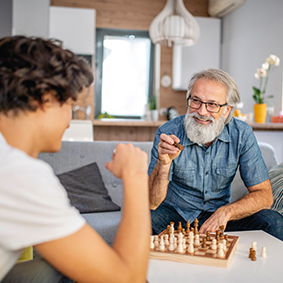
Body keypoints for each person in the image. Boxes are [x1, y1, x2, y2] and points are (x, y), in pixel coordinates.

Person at [0, 36, 151, 283]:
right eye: (70, 104)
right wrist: (135, 174)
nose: (70, 120)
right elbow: (128, 279)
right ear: (45, 99)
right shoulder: (19, 174)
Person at [148, 68, 283, 240]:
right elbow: (152, 202)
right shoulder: (167, 132)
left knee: (272, 221)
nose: (202, 111)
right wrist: (163, 164)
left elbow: (265, 196)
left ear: (227, 110)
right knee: (145, 217)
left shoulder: (242, 135)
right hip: (174, 216)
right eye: (195, 101)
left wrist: (226, 212)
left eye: (212, 104)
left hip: (219, 218)